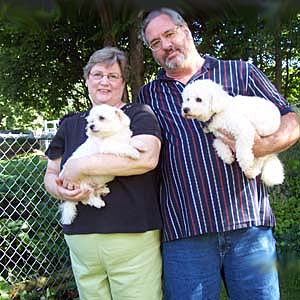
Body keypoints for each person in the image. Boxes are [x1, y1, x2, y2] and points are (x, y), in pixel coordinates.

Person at [137, 8, 300, 300]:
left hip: (248, 226)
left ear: (185, 30)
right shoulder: (148, 96)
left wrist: (262, 146)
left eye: (169, 34)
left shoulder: (240, 71)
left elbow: (292, 118)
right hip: (186, 231)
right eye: (155, 43)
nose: (165, 45)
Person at [43, 46, 163, 300]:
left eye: (113, 76)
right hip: (81, 237)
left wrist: (80, 166)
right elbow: (52, 172)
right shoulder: (71, 123)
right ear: (87, 80)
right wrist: (59, 188)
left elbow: (145, 159)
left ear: (123, 82)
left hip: (131, 234)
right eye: (97, 74)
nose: (104, 82)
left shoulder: (138, 114)